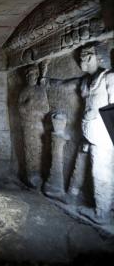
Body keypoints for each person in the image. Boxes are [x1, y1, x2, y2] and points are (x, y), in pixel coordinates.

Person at [44, 44, 114, 224]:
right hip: (91, 134)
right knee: (85, 165)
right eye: (82, 55)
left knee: (101, 173)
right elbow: (66, 84)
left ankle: (102, 214)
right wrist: (47, 81)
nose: (82, 59)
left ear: (99, 57)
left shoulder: (109, 78)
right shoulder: (87, 80)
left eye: (87, 55)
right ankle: (80, 198)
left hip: (104, 136)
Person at [18, 64, 50, 189]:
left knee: (39, 149)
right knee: (29, 149)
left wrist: (36, 109)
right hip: (28, 124)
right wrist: (27, 104)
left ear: (36, 76)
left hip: (39, 124)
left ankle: (39, 174)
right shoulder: (24, 91)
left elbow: (46, 108)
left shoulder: (40, 90)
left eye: (32, 75)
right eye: (28, 75)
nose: (30, 77)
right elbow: (20, 109)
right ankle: (30, 174)